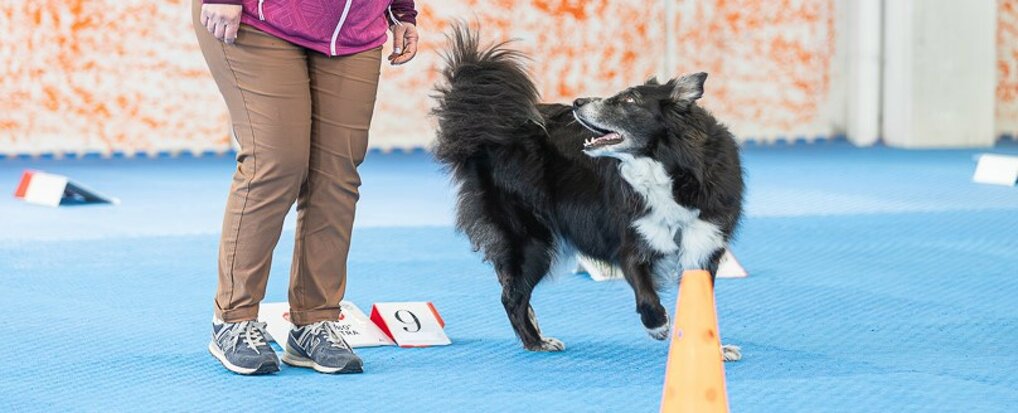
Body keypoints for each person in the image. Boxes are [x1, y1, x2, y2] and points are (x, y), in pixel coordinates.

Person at [193, 0, 419, 375]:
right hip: (258, 17)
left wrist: (400, 10)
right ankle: (233, 319)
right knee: (276, 162)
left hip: (353, 28)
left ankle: (315, 321)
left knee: (337, 173)